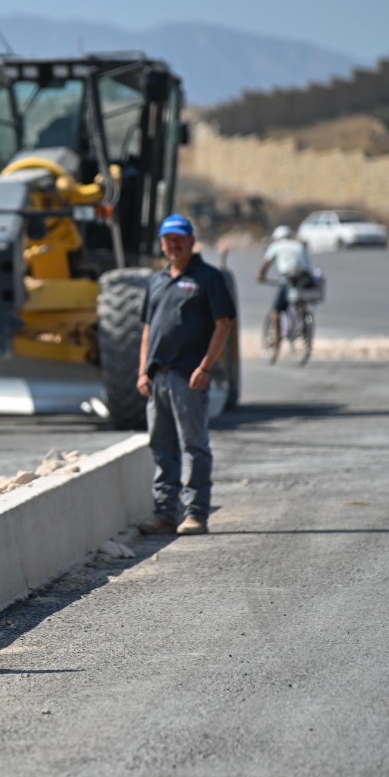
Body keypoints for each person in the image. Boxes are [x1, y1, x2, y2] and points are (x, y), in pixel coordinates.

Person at [135, 214, 235, 536]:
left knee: (194, 446)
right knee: (162, 448)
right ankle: (164, 513)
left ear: (192, 241)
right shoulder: (157, 280)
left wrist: (205, 367)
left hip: (188, 377)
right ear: (162, 244)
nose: (173, 244)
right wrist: (142, 372)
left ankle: (196, 513)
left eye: (179, 238)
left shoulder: (208, 278)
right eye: (168, 239)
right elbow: (149, 329)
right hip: (157, 377)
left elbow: (223, 324)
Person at [255, 225, 315, 335]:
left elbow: (265, 264)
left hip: (288, 278)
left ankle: (276, 337)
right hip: (305, 278)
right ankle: (304, 329)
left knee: (276, 310)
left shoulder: (276, 246)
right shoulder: (299, 245)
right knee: (300, 302)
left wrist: (261, 276)